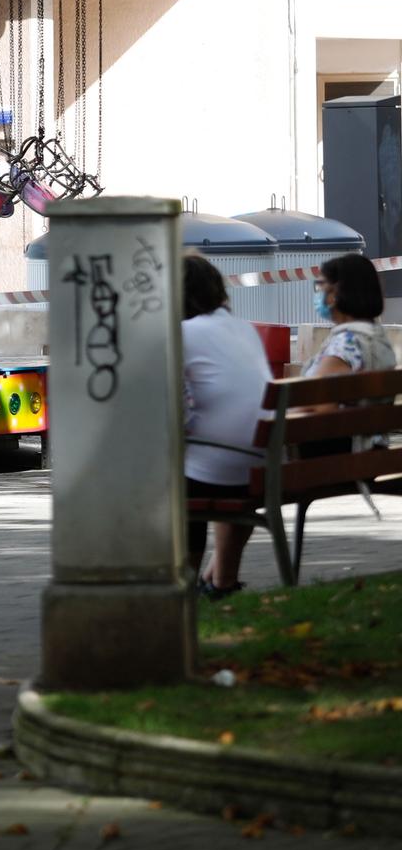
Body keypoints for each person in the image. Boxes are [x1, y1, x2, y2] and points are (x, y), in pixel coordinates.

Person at [179, 256, 275, 600]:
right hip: (261, 466)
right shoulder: (243, 328)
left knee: (172, 481)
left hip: (216, 471)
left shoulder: (183, 333)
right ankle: (222, 582)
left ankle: (183, 587)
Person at [306, 253, 394, 378]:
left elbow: (317, 395)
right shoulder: (379, 340)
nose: (318, 292)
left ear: (335, 293)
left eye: (320, 285)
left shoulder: (344, 346)